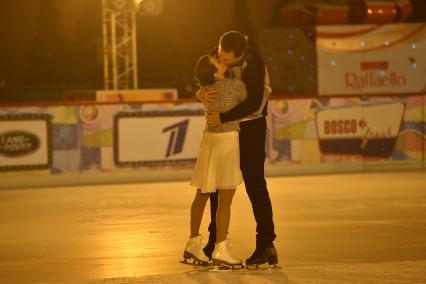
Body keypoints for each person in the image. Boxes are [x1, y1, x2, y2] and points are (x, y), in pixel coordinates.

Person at [198, 30, 278, 267]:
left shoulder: (254, 64)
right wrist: (199, 93)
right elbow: (206, 87)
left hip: (251, 128)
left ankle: (266, 244)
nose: (222, 60)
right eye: (221, 54)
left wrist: (223, 117)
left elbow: (254, 103)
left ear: (242, 55)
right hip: (226, 130)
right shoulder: (217, 55)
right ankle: (214, 242)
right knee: (217, 185)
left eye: (229, 59)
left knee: (255, 184)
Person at [182, 54, 247, 268]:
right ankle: (221, 249)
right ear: (214, 72)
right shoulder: (231, 86)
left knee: (202, 194)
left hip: (209, 141)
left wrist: (198, 93)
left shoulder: (207, 90)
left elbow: (200, 93)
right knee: (225, 199)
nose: (222, 61)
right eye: (217, 62)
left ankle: (193, 242)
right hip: (226, 141)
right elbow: (252, 98)